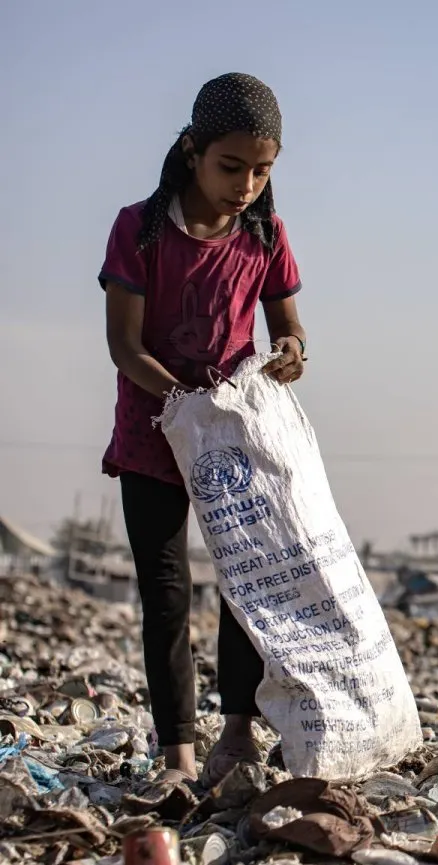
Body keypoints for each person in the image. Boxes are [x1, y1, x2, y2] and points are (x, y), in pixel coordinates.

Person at [98, 72, 308, 786]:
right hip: (151, 437)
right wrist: (182, 397)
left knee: (244, 587)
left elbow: (287, 323)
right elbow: (125, 346)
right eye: (231, 166)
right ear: (192, 151)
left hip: (233, 444)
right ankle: (176, 755)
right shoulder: (142, 229)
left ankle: (237, 736)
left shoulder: (265, 234)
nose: (247, 183)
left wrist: (291, 353)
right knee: (166, 595)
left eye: (262, 169)